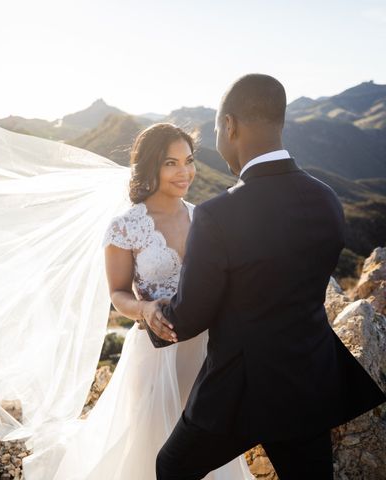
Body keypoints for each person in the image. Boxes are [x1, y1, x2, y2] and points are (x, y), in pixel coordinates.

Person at [142, 74, 386, 480]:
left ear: (230, 126)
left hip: (237, 394)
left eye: (218, 128)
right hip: (307, 382)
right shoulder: (327, 199)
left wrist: (151, 311)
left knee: (171, 468)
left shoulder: (216, 215)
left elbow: (188, 317)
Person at [40, 123, 254, 479]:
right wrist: (145, 308)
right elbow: (118, 293)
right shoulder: (126, 227)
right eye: (171, 163)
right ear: (151, 167)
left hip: (208, 351)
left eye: (188, 160)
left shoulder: (205, 217)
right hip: (155, 354)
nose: (184, 172)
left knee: (207, 446)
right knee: (155, 448)